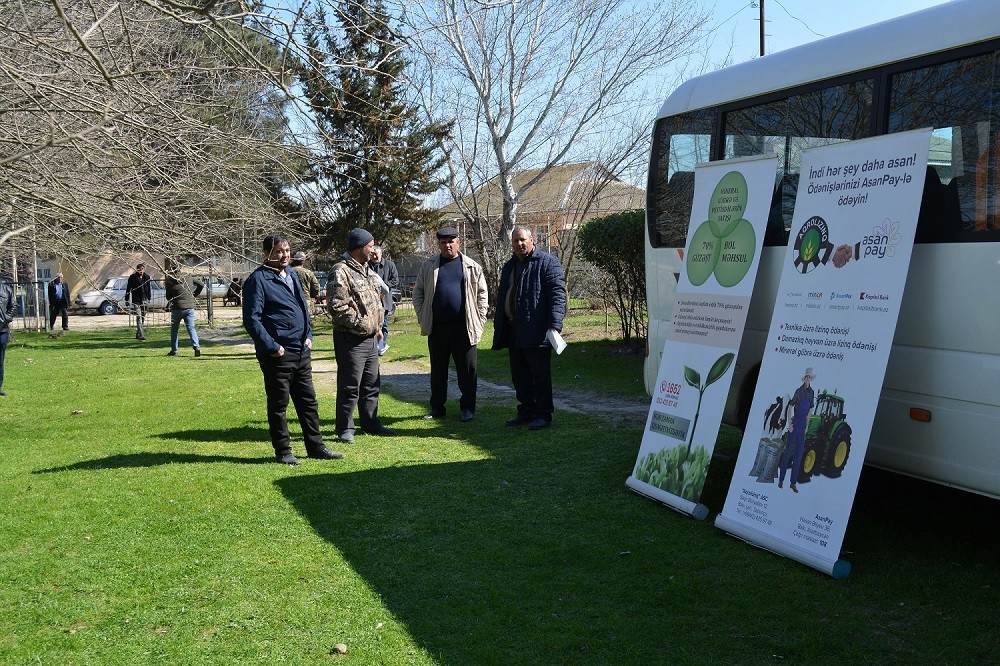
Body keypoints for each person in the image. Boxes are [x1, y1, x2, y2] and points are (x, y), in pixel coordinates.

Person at [243, 234, 343, 465]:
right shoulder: (258, 280)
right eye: (279, 251)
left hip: (301, 350)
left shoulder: (292, 275)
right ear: (266, 254)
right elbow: (252, 320)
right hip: (278, 353)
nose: (285, 255)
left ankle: (316, 447)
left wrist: (308, 335)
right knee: (279, 404)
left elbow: (303, 307)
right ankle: (283, 451)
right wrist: (272, 346)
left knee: (308, 401)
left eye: (287, 251)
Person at [492, 226, 566, 430]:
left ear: (532, 240)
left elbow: (558, 296)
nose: (519, 244)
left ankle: (543, 414)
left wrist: (554, 325)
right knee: (519, 376)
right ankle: (526, 410)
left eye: (523, 240)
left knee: (540, 376)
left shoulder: (547, 263)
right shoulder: (510, 266)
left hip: (538, 330)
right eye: (515, 241)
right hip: (514, 330)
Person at [412, 227, 488, 423]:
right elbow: (418, 292)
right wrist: (423, 315)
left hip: (464, 328)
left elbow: (482, 295)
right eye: (443, 241)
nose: (447, 245)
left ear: (458, 243)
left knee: (468, 372)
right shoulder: (429, 266)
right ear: (439, 244)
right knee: (438, 371)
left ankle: (468, 408)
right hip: (437, 328)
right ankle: (437, 408)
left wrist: (479, 320)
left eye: (451, 241)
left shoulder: (471, 266)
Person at [327, 228, 395, 443]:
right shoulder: (341, 271)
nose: (373, 250)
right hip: (351, 339)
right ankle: (345, 428)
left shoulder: (366, 269)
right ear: (358, 248)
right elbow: (338, 308)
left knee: (371, 383)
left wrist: (376, 329)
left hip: (371, 339)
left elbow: (376, 300)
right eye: (370, 246)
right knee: (350, 385)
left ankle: (371, 422)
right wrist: (364, 325)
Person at [778, 367, 817, 493]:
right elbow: (790, 407)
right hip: (795, 424)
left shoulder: (811, 392)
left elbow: (810, 409)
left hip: (803, 426)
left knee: (799, 456)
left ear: (811, 379)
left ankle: (793, 483)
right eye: (806, 377)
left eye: (809, 377)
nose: (807, 379)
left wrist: (807, 425)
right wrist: (790, 424)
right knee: (788, 452)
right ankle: (781, 479)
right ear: (804, 378)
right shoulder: (798, 391)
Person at [163, 257, 203, 357]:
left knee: (175, 329)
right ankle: (196, 346)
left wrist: (173, 297)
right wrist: (194, 294)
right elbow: (201, 284)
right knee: (191, 328)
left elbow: (168, 297)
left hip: (177, 307)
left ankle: (174, 350)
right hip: (189, 306)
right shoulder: (188, 276)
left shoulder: (170, 280)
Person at [369, 245, 399, 355]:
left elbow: (395, 280)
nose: (374, 256)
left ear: (381, 253)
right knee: (372, 325)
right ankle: (373, 346)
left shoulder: (389, 265)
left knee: (384, 325)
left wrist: (383, 288)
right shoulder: (367, 265)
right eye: (372, 254)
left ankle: (381, 347)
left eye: (376, 254)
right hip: (371, 301)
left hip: (385, 300)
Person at [124, 263, 152, 340]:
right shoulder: (133, 277)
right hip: (136, 300)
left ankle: (138, 333)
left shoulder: (147, 277)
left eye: (142, 269)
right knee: (139, 317)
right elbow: (128, 289)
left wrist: (149, 298)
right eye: (139, 269)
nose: (141, 271)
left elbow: (149, 289)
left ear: (144, 269)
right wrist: (126, 299)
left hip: (145, 299)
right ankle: (141, 335)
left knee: (143, 317)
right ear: (137, 269)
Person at [0, 275, 16, 396]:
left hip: (2, 330)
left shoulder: (6, 289)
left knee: (0, 360)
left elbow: (13, 305)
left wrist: (7, 318)